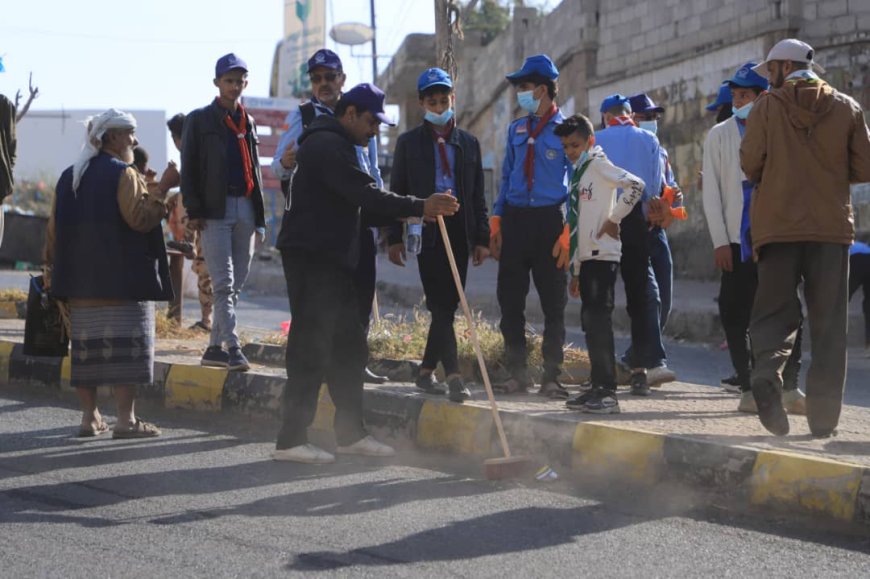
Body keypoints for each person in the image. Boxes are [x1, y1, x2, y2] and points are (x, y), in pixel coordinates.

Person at [273, 83, 459, 464]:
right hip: (313, 258)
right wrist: (421, 205)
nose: (376, 130)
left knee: (349, 348)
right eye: (372, 121)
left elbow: (363, 207)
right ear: (351, 113)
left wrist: (414, 212)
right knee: (310, 348)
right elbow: (366, 195)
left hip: (332, 260)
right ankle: (290, 440)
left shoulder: (342, 146)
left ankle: (351, 434)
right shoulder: (326, 145)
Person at [741, 39, 870, 437]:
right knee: (830, 324)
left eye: (771, 71)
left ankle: (766, 375)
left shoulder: (767, 106)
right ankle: (823, 421)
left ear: (783, 66)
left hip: (778, 228)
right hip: (831, 231)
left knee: (775, 315)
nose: (769, 78)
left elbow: (750, 164)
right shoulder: (847, 107)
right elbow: (864, 167)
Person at [46, 109, 178, 438]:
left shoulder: (68, 176)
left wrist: (51, 271)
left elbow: (52, 231)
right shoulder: (124, 173)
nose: (134, 140)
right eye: (130, 134)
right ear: (114, 138)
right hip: (121, 284)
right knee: (127, 353)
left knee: (86, 354)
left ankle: (89, 419)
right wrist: (162, 189)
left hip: (79, 285)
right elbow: (140, 219)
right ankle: (125, 421)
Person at [271, 48, 387, 385]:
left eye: (330, 77)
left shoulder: (362, 114)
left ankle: (354, 362)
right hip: (324, 223)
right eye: (317, 78)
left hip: (361, 214)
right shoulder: (303, 116)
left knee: (361, 293)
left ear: (342, 80)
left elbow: (373, 171)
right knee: (319, 302)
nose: (323, 84)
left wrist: (383, 214)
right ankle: (315, 372)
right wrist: (288, 162)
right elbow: (279, 164)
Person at [702, 62, 806, 415]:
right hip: (735, 240)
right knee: (734, 312)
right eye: (734, 95)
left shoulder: (783, 128)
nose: (737, 101)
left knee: (788, 311)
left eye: (744, 95)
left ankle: (790, 385)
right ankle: (747, 387)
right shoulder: (719, 135)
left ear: (763, 96)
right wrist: (719, 240)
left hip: (775, 237)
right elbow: (712, 194)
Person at [387, 67, 490, 402]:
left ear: (452, 99)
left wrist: (482, 238)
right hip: (428, 231)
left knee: (448, 304)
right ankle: (455, 375)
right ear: (422, 104)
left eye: (443, 98)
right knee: (439, 303)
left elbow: (477, 195)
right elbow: (397, 193)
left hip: (460, 231)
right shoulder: (408, 144)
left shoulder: (468, 144)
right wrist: (394, 237)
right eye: (432, 100)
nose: (438, 104)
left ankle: (426, 371)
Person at [488, 54, 571, 399]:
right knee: (510, 302)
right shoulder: (516, 129)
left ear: (541, 89)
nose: (519, 93)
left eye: (523, 87)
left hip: (550, 222)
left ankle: (552, 377)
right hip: (516, 220)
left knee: (554, 304)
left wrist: (570, 232)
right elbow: (506, 177)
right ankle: (517, 373)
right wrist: (496, 219)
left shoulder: (569, 130)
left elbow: (579, 181)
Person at [182, 53, 266, 372]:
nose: (234, 86)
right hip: (214, 210)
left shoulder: (249, 121)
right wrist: (194, 209)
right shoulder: (200, 120)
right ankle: (233, 347)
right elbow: (189, 167)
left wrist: (260, 217)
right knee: (223, 282)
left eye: (239, 80)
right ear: (217, 83)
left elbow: (255, 169)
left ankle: (214, 347)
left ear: (246, 82)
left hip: (245, 205)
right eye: (229, 80)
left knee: (237, 281)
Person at [556, 114, 644, 414]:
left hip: (603, 255)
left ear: (590, 141)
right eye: (566, 146)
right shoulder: (580, 171)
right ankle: (596, 386)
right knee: (590, 324)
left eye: (575, 144)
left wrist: (613, 219)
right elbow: (578, 220)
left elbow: (635, 185)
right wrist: (576, 269)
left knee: (599, 323)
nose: (570, 151)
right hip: (587, 258)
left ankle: (607, 393)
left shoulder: (598, 165)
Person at [595, 94, 668, 395]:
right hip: (636, 225)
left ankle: (603, 374)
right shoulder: (649, 142)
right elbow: (654, 189)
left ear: (604, 116)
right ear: (630, 115)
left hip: (602, 225)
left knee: (601, 298)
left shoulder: (594, 140)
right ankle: (640, 371)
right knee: (640, 295)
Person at [165, 112, 213, 333]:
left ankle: (207, 321)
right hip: (207, 223)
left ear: (177, 138)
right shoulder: (200, 153)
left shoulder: (193, 156)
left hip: (206, 224)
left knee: (206, 271)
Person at [849, 240, 870, 350]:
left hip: (856, 261)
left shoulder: (850, 245)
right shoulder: (862, 246)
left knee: (844, 296)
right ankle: (869, 344)